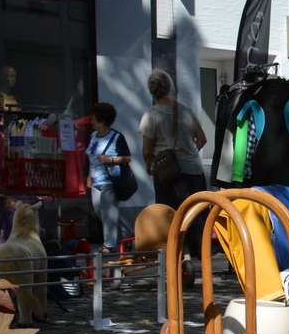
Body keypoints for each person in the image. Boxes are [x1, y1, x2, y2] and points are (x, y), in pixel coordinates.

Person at [139, 68, 207, 265]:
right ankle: (201, 252)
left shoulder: (151, 114)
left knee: (171, 213)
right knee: (195, 212)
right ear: (169, 87)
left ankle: (181, 255)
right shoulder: (185, 110)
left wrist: (149, 165)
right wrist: (189, 152)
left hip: (167, 173)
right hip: (193, 170)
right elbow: (202, 139)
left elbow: (146, 150)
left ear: (151, 91)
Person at [84, 103, 133, 251]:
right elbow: (91, 157)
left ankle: (109, 245)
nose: (91, 122)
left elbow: (127, 158)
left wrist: (110, 160)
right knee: (100, 212)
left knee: (108, 213)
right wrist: (89, 176)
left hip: (111, 180)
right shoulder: (93, 136)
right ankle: (125, 232)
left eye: (94, 119)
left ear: (102, 121)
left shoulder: (117, 137)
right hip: (96, 181)